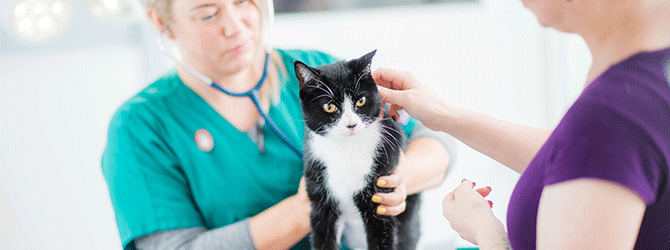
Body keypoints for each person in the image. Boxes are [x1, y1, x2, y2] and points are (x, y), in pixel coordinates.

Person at [101, 0, 456, 249]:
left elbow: (428, 133)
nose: (235, 25)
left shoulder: (318, 72)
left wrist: (402, 176)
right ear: (162, 23)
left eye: (243, 1)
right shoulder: (140, 128)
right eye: (208, 14)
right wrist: (308, 210)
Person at [373, 0, 670, 249]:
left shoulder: (610, 113)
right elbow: (591, 158)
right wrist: (444, 115)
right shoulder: (647, 85)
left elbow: (596, 145)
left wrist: (486, 233)